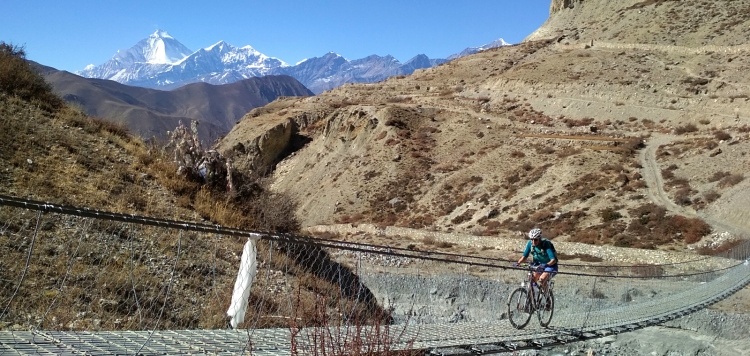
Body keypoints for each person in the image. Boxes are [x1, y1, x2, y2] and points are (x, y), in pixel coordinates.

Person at [515, 227, 558, 293]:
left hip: (550, 266)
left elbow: (553, 260)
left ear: (539, 239)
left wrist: (545, 265)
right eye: (531, 239)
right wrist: (518, 263)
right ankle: (532, 300)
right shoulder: (530, 244)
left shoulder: (546, 244)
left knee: (542, 279)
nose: (533, 242)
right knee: (531, 280)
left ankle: (548, 298)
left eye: (535, 240)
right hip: (538, 266)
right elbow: (524, 257)